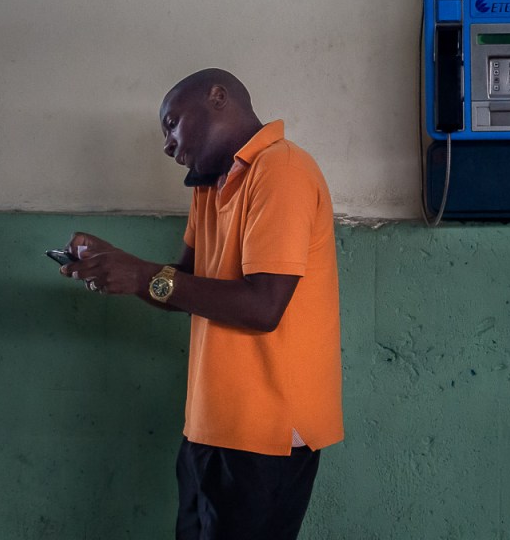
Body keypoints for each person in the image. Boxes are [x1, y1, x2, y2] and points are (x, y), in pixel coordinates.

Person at [58, 68, 343, 540]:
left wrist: (143, 275)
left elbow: (263, 306)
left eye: (171, 123)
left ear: (217, 97)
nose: (167, 144)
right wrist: (122, 269)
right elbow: (184, 285)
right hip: (211, 424)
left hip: (266, 432)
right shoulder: (210, 185)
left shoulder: (282, 171)